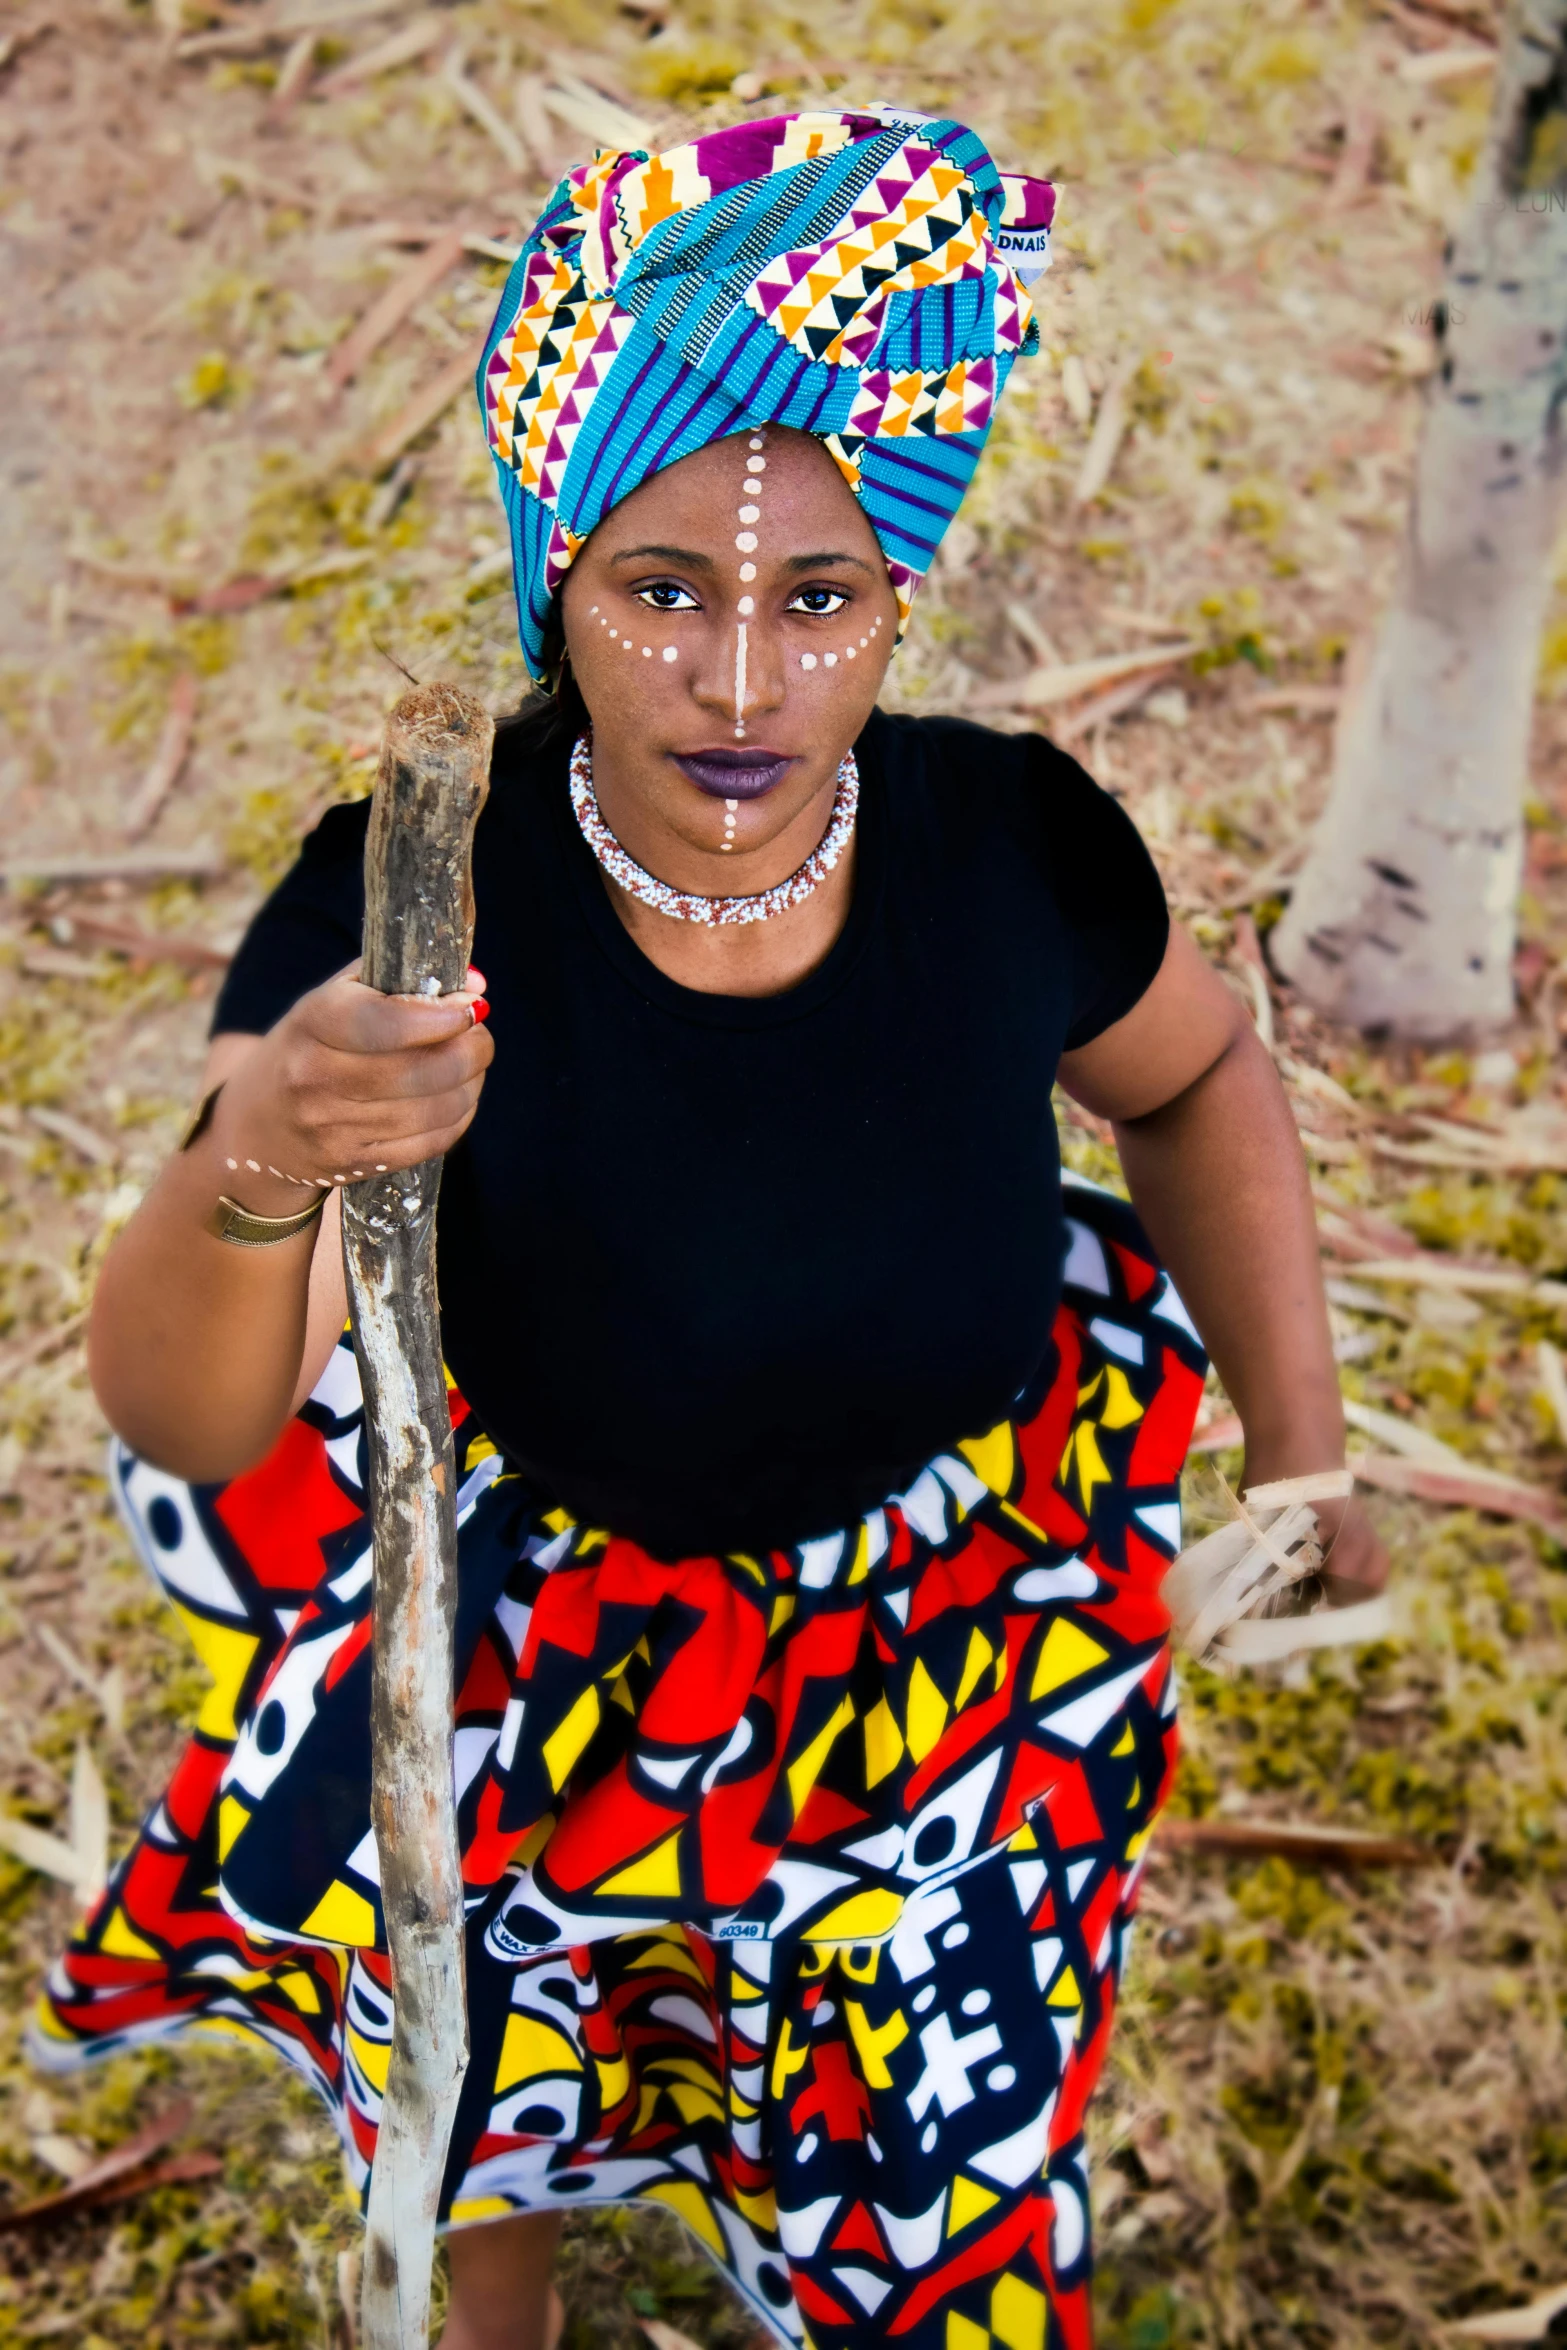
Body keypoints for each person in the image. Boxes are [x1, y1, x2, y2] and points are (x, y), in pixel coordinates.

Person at [35, 107, 1386, 2350]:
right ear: (554, 572)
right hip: (537, 1643)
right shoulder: (418, 893)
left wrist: (1302, 1434)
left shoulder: (1008, 851)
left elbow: (1201, 1073)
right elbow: (188, 1408)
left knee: (910, 2145)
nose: (743, 687)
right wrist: (268, 1138)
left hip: (950, 1638)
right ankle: (505, 2292)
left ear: (897, 602)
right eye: (664, 589)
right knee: (499, 2072)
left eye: (819, 599)